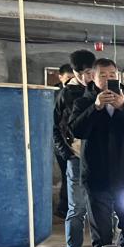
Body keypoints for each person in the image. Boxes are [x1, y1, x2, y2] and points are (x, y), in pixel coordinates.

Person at [68, 57, 124, 247]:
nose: (108, 79)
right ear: (93, 78)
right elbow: (76, 129)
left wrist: (123, 107)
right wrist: (95, 108)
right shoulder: (83, 102)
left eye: (112, 75)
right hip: (97, 178)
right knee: (102, 234)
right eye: (102, 75)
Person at [55, 50, 95, 247]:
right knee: (76, 207)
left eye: (89, 72)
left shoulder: (102, 90)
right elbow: (55, 128)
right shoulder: (64, 95)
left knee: (105, 207)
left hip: (100, 158)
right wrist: (68, 154)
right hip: (76, 158)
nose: (85, 77)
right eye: (80, 73)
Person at [54, 63, 74, 219]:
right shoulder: (55, 94)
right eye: (68, 78)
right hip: (61, 141)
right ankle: (64, 207)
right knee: (67, 174)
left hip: (73, 140)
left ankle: (66, 207)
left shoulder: (76, 92)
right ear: (60, 77)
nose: (70, 81)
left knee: (70, 176)